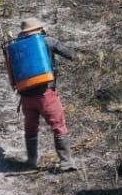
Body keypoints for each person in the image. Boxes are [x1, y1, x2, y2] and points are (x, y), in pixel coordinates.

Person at [15, 18, 78, 172]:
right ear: (40, 29)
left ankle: (31, 161)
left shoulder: (16, 46)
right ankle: (66, 162)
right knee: (58, 124)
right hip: (45, 95)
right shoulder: (47, 41)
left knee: (31, 128)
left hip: (25, 97)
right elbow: (70, 54)